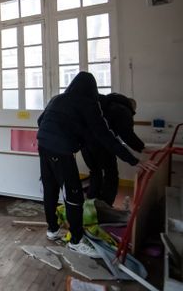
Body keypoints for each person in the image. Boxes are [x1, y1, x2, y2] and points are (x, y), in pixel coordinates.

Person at [37, 72, 156, 257]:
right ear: (92, 89)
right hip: (60, 150)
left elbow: (40, 120)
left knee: (50, 188)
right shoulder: (88, 103)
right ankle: (76, 241)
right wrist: (134, 160)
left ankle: (52, 230)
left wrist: (66, 133)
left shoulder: (58, 98)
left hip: (43, 145)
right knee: (73, 195)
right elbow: (105, 135)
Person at [81, 93, 146, 206]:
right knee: (111, 174)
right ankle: (106, 205)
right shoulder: (123, 110)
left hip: (85, 145)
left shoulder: (104, 104)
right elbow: (127, 135)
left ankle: (91, 204)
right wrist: (142, 148)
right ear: (132, 106)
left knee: (95, 172)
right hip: (104, 146)